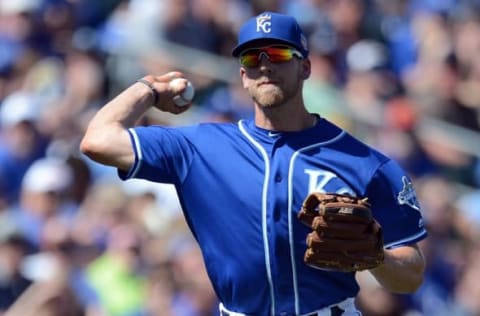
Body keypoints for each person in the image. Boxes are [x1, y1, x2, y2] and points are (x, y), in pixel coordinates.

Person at [80, 11, 427, 316]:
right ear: (243, 76)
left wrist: (375, 257)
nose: (264, 65)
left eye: (278, 53)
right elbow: (97, 140)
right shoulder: (201, 147)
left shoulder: (364, 162)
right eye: (250, 59)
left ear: (304, 66)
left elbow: (410, 277)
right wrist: (149, 89)